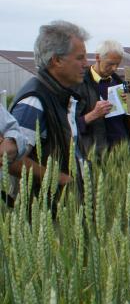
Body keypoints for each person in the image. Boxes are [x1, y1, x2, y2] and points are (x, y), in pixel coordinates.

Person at [10, 21, 90, 196]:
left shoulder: (60, 95)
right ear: (57, 60)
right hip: (45, 211)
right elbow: (11, 159)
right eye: (80, 58)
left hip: (64, 208)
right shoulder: (34, 101)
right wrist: (61, 179)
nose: (86, 63)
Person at [77, 39, 130, 157]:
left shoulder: (120, 83)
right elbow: (69, 125)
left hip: (123, 153)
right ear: (98, 57)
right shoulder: (79, 84)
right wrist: (93, 114)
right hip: (95, 155)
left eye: (117, 64)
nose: (114, 68)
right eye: (110, 64)